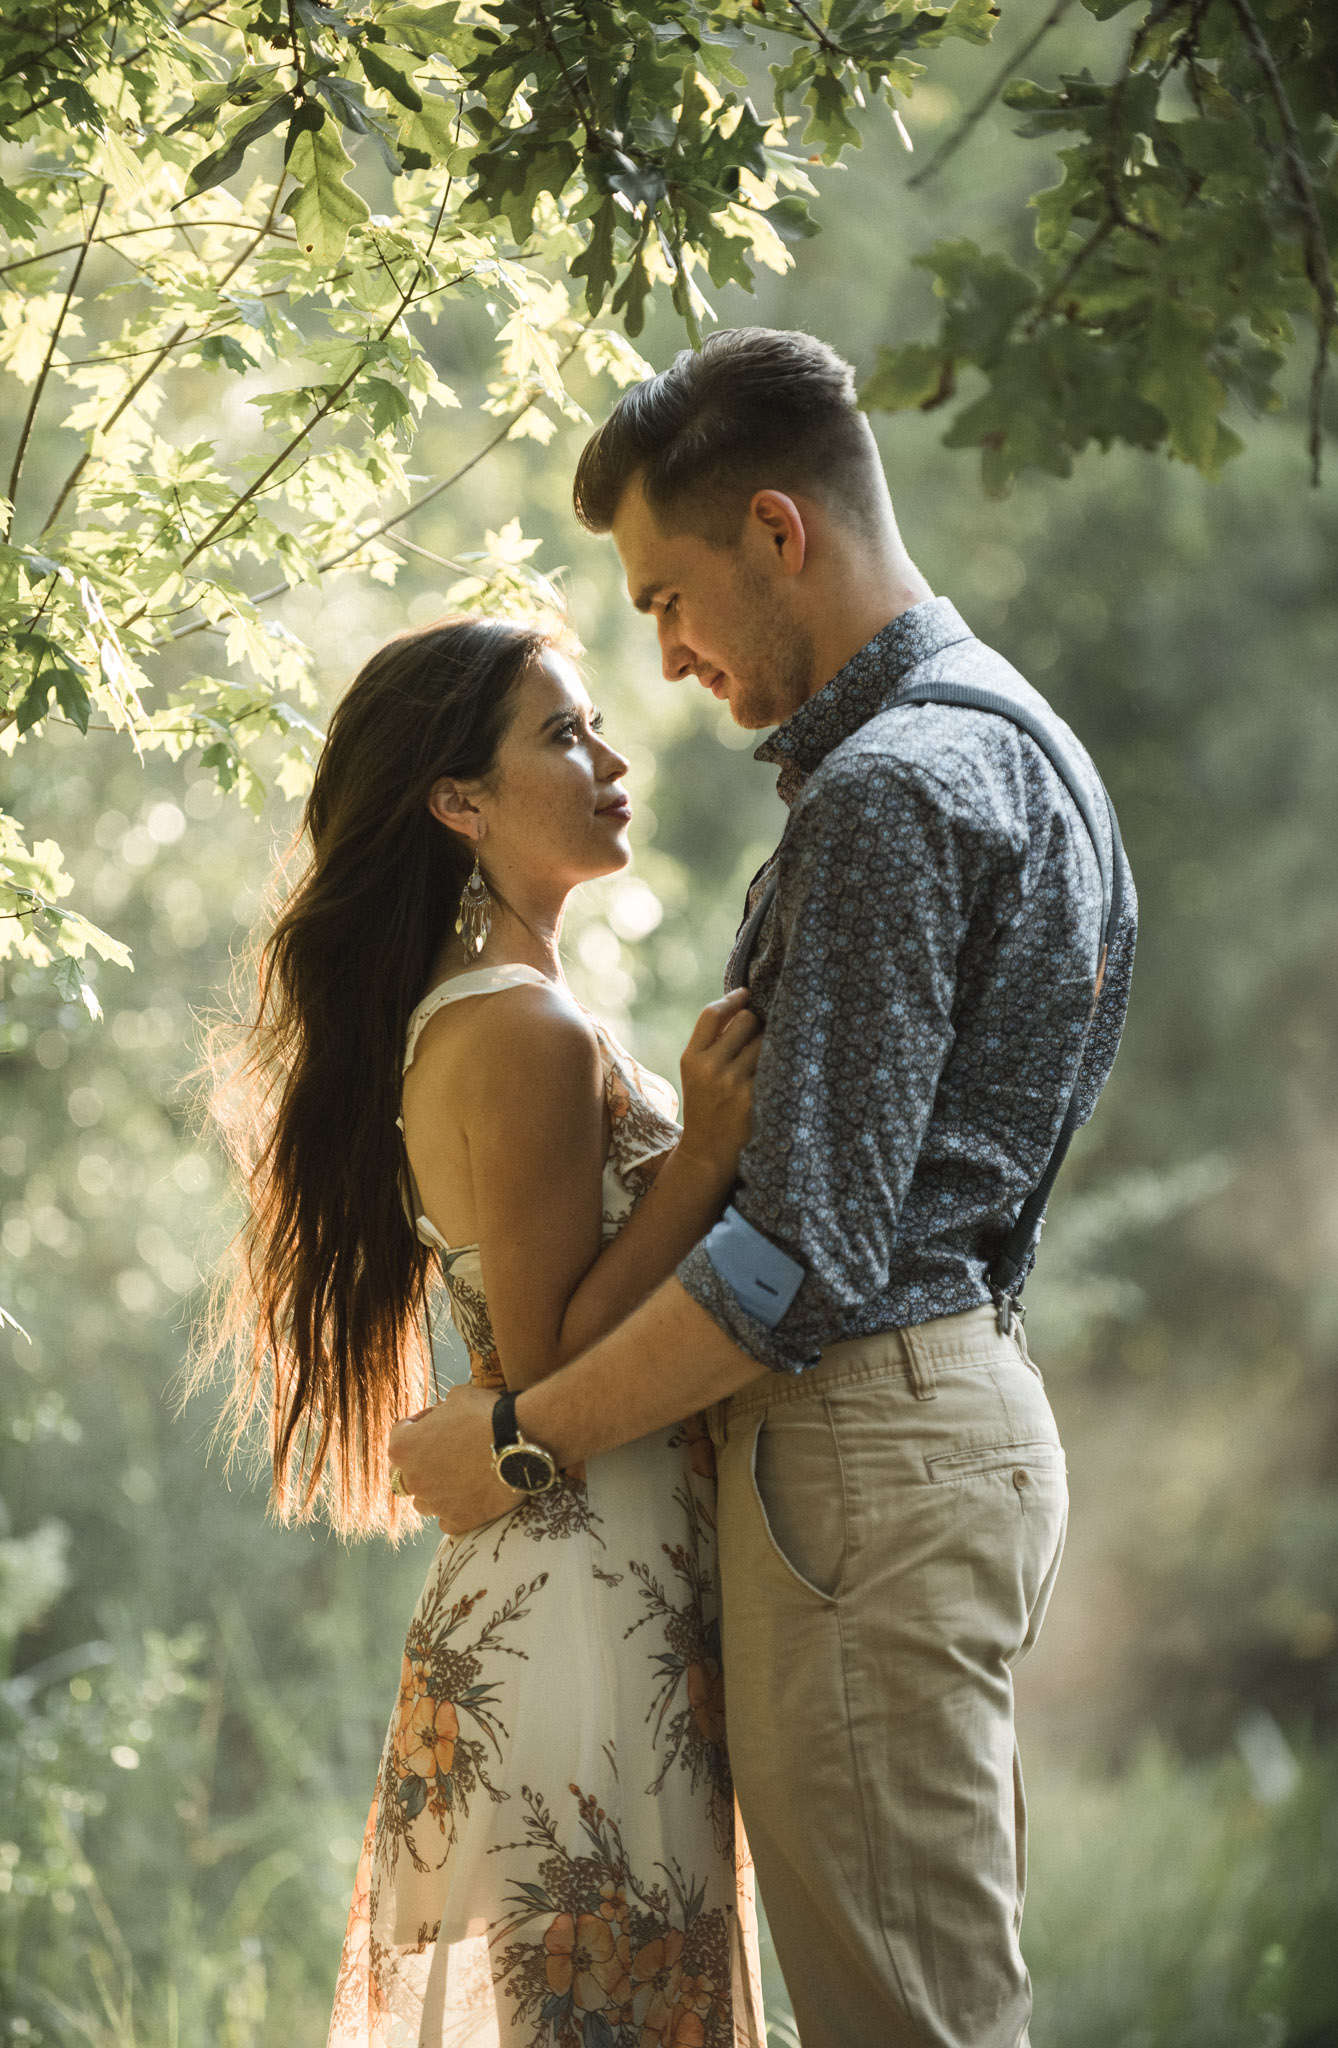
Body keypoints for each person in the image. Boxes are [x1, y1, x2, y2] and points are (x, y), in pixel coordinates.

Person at [388, 328, 1139, 2048]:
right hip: (950, 1422)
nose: (666, 656)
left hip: (865, 1449)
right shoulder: (1024, 742)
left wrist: (522, 1437)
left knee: (904, 2024)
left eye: (666, 596)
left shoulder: (885, 795)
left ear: (779, 534)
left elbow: (800, 1253)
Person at [206, 615, 769, 2046]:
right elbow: (548, 1358)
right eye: (562, 733)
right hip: (578, 1610)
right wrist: (702, 1156)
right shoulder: (519, 1030)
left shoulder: (502, 1014)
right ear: (458, 803)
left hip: (594, 1585)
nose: (612, 756)